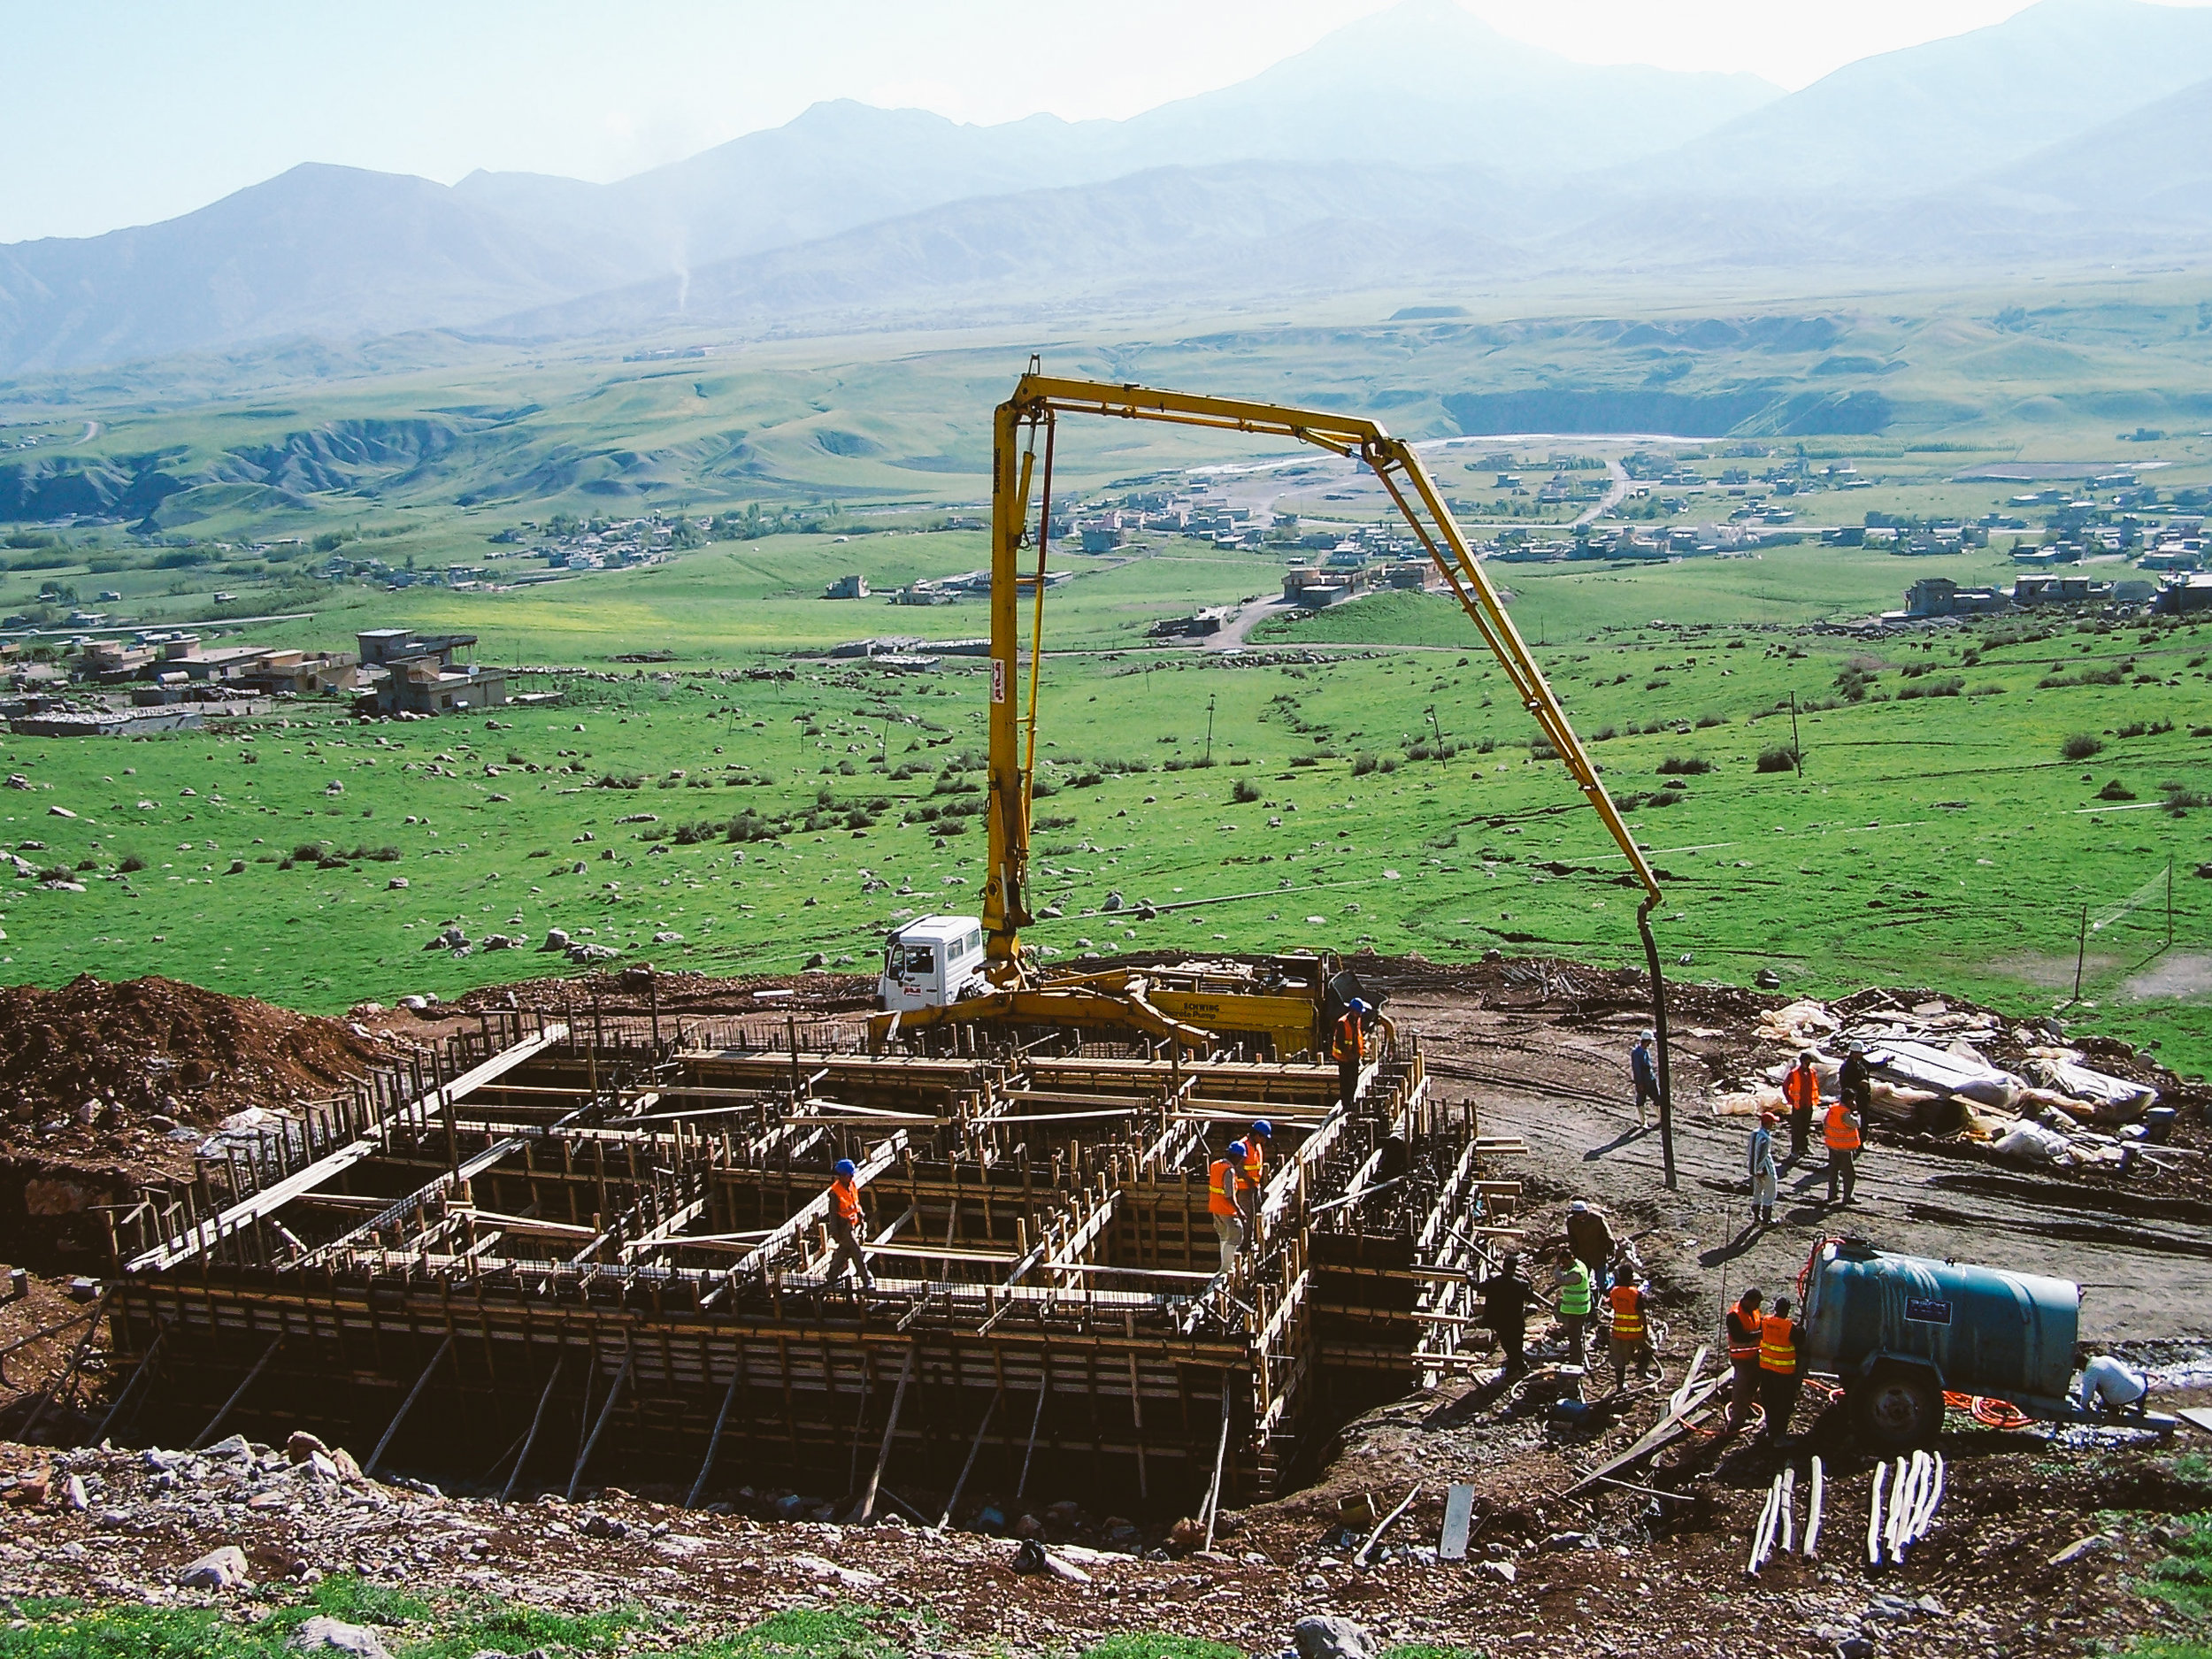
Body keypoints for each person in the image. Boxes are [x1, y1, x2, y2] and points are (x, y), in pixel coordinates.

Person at [1758, 1294, 1804, 1440]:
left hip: (1766, 1370)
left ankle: (1770, 1431)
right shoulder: (1789, 1327)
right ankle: (1779, 1437)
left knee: (1769, 1402)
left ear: (1775, 1308)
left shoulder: (1764, 1321)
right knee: (1782, 1406)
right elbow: (1800, 1340)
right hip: (1783, 1374)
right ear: (1787, 1311)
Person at [1481, 1250, 1533, 1378]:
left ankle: (1517, 1367)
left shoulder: (1494, 1281)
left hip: (1500, 1321)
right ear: (1515, 1268)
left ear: (1504, 1265)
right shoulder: (1521, 1284)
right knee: (1516, 1346)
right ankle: (1519, 1367)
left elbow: (1478, 1287)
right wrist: (1529, 1284)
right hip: (1516, 1321)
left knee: (1507, 1345)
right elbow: (1530, 1299)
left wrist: (1469, 1277)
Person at [826, 1157, 874, 1290]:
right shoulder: (834, 1192)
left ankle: (831, 1276)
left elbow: (855, 1201)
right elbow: (832, 1214)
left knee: (843, 1252)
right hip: (844, 1227)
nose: (852, 1176)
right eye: (849, 1174)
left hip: (852, 1224)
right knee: (857, 1253)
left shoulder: (851, 1184)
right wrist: (835, 1232)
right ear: (842, 1176)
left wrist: (860, 1214)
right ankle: (867, 1279)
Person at [1724, 1286, 1766, 1432]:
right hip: (1741, 1358)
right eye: (1756, 1303)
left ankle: (1746, 1408)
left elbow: (1758, 1324)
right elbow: (1739, 1337)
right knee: (1741, 1389)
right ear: (1748, 1301)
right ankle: (1736, 1421)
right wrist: (1759, 1334)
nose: (1758, 1307)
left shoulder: (1753, 1310)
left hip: (1754, 1356)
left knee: (1753, 1385)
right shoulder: (1734, 1315)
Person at [1607, 1265, 1654, 1391]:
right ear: (1632, 1277)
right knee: (1650, 1348)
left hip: (1618, 1332)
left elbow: (1611, 1304)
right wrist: (1645, 1331)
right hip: (1635, 1332)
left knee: (1619, 1361)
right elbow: (1641, 1314)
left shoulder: (1614, 1292)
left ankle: (1620, 1387)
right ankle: (1641, 1371)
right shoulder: (1635, 1293)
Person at [1208, 1139, 1248, 1274]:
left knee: (1224, 1236)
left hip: (1215, 1207)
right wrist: (1239, 1210)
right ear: (1236, 1156)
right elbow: (1229, 1195)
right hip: (1226, 1209)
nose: (1241, 1161)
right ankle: (1226, 1269)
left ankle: (1224, 1266)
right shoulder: (1229, 1170)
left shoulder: (1215, 1165)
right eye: (1241, 1158)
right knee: (1236, 1234)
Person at [1564, 1200, 1616, 1294]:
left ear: (1586, 1212)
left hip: (1598, 1254)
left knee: (1601, 1284)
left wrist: (1611, 1249)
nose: (1578, 1216)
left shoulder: (1597, 1219)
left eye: (1580, 1213)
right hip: (1582, 1255)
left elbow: (1608, 1236)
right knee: (1583, 1281)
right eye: (1576, 1213)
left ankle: (1611, 1280)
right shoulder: (1571, 1221)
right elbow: (1572, 1238)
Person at [2078, 1352, 2150, 1417]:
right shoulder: (2105, 1358)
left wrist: (2084, 1408)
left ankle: (2111, 1407)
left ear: (2081, 1365)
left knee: (2096, 1384)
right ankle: (2141, 1408)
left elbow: (2087, 1396)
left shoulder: (2090, 1373)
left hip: (2116, 1400)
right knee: (2141, 1374)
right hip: (2139, 1391)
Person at [1824, 1093, 1863, 1206]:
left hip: (1832, 1145)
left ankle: (1832, 1195)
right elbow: (1856, 1124)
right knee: (1849, 1174)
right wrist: (1856, 1113)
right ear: (1850, 1101)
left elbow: (1825, 1123)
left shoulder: (1833, 1109)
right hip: (1844, 1148)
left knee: (1833, 1171)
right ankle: (1847, 1197)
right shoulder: (1845, 1113)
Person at [1555, 1252, 1594, 1368]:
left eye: (1565, 1262)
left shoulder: (1576, 1273)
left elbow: (1560, 1280)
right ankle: (1578, 1356)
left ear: (1571, 1258)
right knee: (1577, 1334)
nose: (1564, 1264)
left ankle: (1576, 1361)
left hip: (1576, 1309)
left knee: (1574, 1337)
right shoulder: (1580, 1265)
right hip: (1579, 1308)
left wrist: (1557, 1268)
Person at [1332, 1000, 1371, 1114]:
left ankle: (1351, 1101)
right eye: (1359, 1012)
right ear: (1353, 1011)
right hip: (1344, 1058)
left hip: (1354, 1057)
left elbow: (1357, 1035)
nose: (1360, 1014)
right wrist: (1347, 1054)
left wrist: (1360, 1050)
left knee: (1354, 1081)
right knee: (1346, 1082)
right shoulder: (1342, 1023)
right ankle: (1346, 1104)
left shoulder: (1356, 1020)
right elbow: (1340, 1042)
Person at [1782, 1051, 1821, 1164]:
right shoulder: (1794, 1073)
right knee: (1797, 1129)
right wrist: (1790, 1100)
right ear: (1801, 1062)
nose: (1808, 1064)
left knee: (1805, 1127)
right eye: (1806, 1062)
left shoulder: (1812, 1072)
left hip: (1808, 1104)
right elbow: (1785, 1086)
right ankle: (1795, 1150)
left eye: (1809, 1062)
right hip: (1798, 1105)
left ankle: (1804, 1148)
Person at [1747, 1110, 1780, 1227]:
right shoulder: (1765, 1138)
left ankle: (1756, 1218)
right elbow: (1763, 1155)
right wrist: (1761, 1169)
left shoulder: (1754, 1133)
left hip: (1754, 1169)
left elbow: (1751, 1152)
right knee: (1769, 1193)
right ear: (1769, 1123)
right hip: (1765, 1170)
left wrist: (1754, 1170)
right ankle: (1766, 1220)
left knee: (1757, 1193)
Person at [1630, 1031, 1659, 1129]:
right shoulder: (1636, 1053)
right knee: (1641, 1100)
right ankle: (1643, 1122)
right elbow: (1637, 1069)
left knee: (1657, 1098)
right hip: (1643, 1081)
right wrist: (1639, 1083)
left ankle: (1660, 1118)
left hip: (1650, 1079)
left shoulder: (1646, 1051)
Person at [1839, 1041, 1874, 1122]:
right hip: (1853, 1097)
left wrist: (1885, 1062)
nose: (1862, 1054)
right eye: (1860, 1053)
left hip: (1863, 1096)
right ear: (1854, 1053)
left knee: (1864, 1118)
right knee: (1853, 1120)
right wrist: (1858, 1084)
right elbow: (1844, 1083)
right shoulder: (1846, 1066)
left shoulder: (1861, 1062)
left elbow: (1871, 1066)